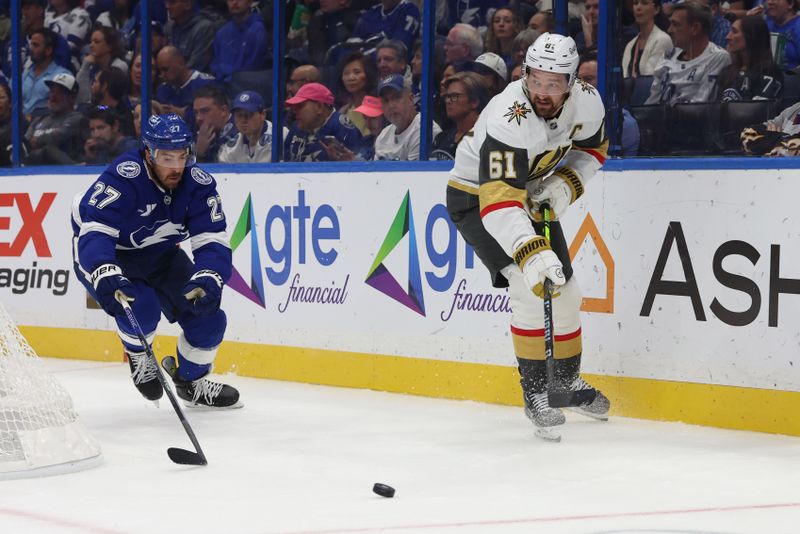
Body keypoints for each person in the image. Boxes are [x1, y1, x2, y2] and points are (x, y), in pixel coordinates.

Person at [446, 33, 611, 441]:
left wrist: (565, 184)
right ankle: (537, 394)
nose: (542, 90)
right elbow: (499, 203)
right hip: (477, 200)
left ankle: (567, 383)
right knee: (529, 285)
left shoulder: (588, 102)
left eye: (554, 82)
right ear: (525, 73)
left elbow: (595, 148)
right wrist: (531, 253)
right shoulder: (508, 117)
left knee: (566, 291)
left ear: (572, 81)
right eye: (535, 79)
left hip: (532, 195)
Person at [70, 113, 241, 409]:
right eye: (166, 158)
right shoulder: (124, 176)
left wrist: (210, 275)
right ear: (148, 154)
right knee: (142, 308)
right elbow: (95, 229)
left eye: (182, 156)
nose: (176, 167)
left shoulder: (198, 184)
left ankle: (191, 383)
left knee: (209, 318)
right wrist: (102, 268)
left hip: (161, 254)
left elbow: (211, 239)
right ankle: (139, 353)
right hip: (111, 253)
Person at [645, 1, 730, 105]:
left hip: (692, 120)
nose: (669, 30)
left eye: (675, 25)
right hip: (660, 118)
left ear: (695, 28)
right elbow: (652, 102)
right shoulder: (669, 55)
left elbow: (700, 106)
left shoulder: (717, 57)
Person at [284, 82, 365, 162]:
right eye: (294, 107)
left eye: (300, 106)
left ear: (319, 107)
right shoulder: (297, 126)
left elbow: (356, 169)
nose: (294, 111)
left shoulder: (344, 129)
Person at [374, 73, 441, 160]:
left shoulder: (424, 130)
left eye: (396, 98)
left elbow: (415, 173)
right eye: (386, 101)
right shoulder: (383, 135)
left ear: (411, 98)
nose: (391, 105)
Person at [718, 16, 784, 101]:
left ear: (751, 36)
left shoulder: (769, 72)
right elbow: (717, 108)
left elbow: (760, 110)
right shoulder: (726, 72)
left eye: (734, 32)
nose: (728, 37)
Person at [24, 72, 84, 164]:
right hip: (34, 168)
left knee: (49, 150)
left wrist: (38, 140)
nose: (53, 96)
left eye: (60, 92)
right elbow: (26, 143)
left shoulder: (77, 118)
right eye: (52, 91)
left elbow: (57, 137)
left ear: (72, 97)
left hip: (66, 170)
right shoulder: (39, 119)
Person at [210, 0, 269, 83]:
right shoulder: (221, 33)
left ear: (250, 2)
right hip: (220, 88)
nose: (234, 2)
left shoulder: (257, 31)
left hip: (245, 87)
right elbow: (215, 66)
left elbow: (252, 68)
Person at [432, 71, 487, 160]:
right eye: (447, 96)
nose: (448, 101)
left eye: (454, 96)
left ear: (474, 102)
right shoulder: (441, 138)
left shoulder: (485, 140)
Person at [218, 91, 285, 163]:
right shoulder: (231, 147)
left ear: (263, 115)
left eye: (249, 114)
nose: (243, 120)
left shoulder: (281, 135)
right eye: (239, 115)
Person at [21, 28, 71, 117]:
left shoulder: (63, 75)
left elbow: (65, 107)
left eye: (35, 45)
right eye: (31, 45)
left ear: (48, 50)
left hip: (45, 124)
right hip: (19, 125)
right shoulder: (24, 74)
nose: (31, 49)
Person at [621, 0, 673, 79]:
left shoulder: (663, 40)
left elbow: (651, 79)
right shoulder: (630, 45)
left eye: (644, 3)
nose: (638, 7)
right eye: (635, 3)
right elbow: (625, 77)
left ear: (656, 9)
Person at [192, 84, 238, 163]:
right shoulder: (202, 134)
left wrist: (199, 154)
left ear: (223, 110)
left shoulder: (239, 132)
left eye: (204, 111)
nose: (198, 118)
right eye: (196, 112)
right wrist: (198, 153)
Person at [765, 0, 800, 70]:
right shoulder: (766, 23)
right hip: (766, 76)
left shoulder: (798, 27)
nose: (769, 2)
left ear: (790, 4)